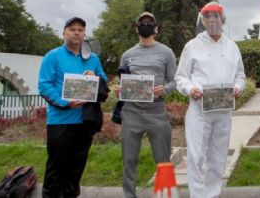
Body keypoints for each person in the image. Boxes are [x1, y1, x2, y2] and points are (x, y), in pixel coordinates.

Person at [175, 2, 246, 198]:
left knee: (218, 157)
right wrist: (191, 89)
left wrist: (238, 87)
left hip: (223, 112)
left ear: (222, 19)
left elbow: (241, 76)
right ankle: (198, 195)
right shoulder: (192, 46)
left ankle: (212, 194)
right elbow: (180, 76)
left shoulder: (232, 47)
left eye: (215, 16)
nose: (212, 20)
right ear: (203, 21)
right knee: (196, 156)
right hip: (199, 111)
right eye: (208, 17)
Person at [38, 17, 108, 198]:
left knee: (76, 169)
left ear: (84, 34)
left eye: (80, 29)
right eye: (72, 29)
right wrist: (65, 102)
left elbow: (104, 85)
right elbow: (44, 86)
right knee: (56, 169)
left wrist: (95, 77)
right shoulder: (53, 56)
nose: (77, 32)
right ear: (64, 33)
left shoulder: (93, 59)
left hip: (85, 122)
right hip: (60, 122)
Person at [113, 12, 177, 198]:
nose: (146, 25)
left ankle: (165, 196)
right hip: (131, 112)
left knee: (163, 161)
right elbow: (123, 81)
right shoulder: (127, 55)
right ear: (136, 28)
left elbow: (175, 81)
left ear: (156, 28)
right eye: (143, 23)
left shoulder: (166, 52)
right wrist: (120, 90)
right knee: (129, 160)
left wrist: (164, 90)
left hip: (157, 112)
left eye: (150, 23)